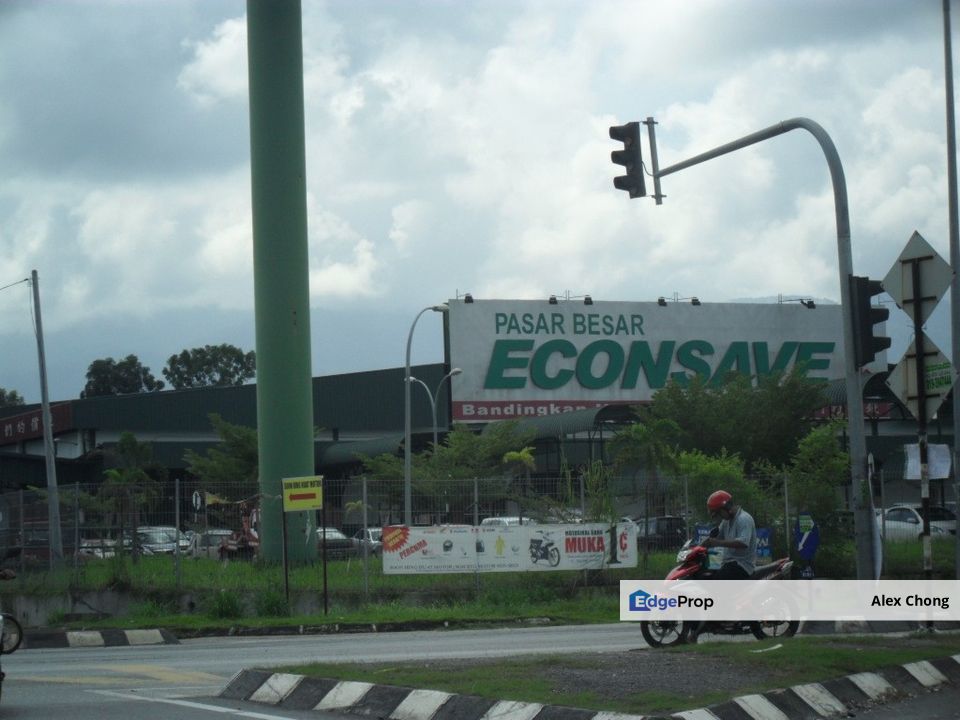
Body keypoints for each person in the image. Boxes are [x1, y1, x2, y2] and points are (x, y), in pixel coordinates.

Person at [701, 489, 756, 579]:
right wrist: (704, 544)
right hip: (727, 562)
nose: (719, 517)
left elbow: (743, 543)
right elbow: (718, 536)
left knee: (715, 580)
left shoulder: (744, 519)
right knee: (703, 574)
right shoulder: (726, 521)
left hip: (742, 565)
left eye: (719, 513)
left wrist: (717, 542)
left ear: (726, 508)